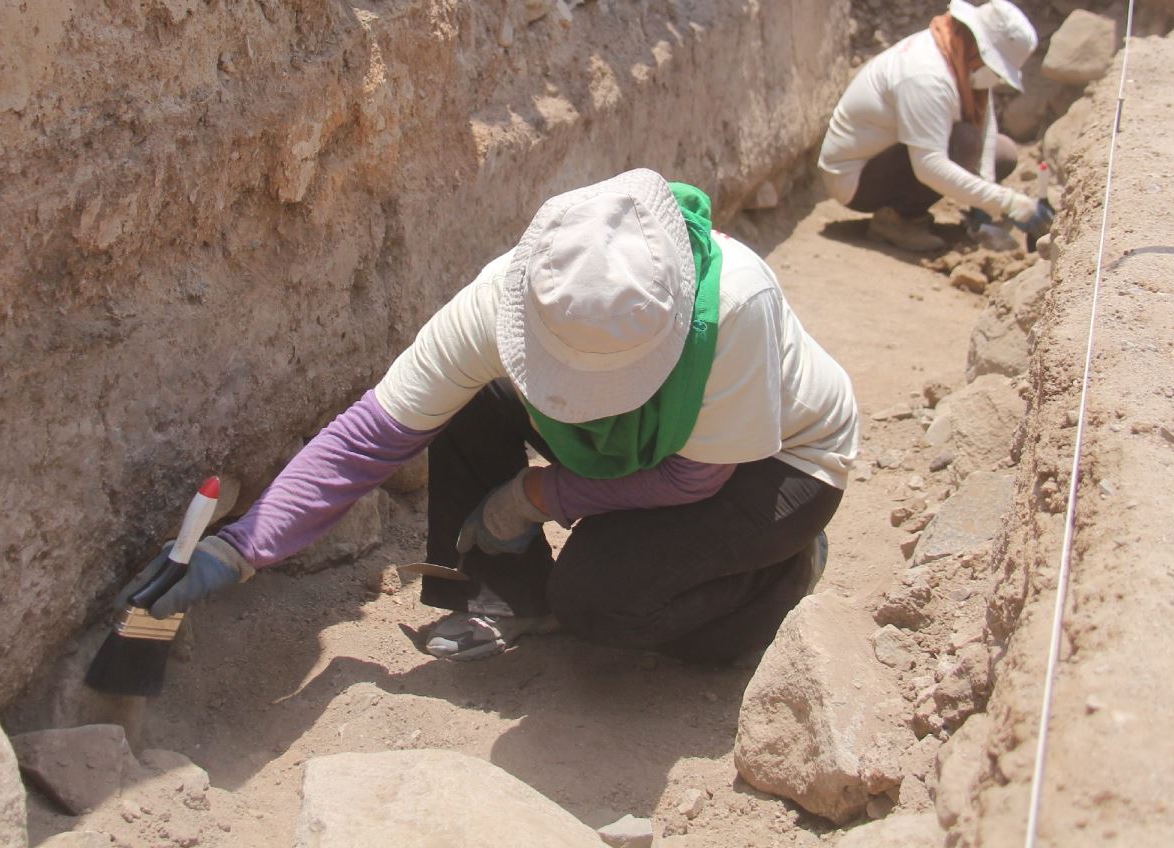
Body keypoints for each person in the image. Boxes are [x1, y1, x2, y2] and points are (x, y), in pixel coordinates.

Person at [124, 169, 858, 664]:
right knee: (472, 400)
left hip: (775, 465)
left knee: (605, 614)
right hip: (658, 455)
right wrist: (244, 548)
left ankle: (780, 574)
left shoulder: (735, 310)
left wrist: (534, 497)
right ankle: (501, 595)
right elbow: (373, 435)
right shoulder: (509, 293)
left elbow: (697, 477)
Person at [817, 0, 1051, 253]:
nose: (994, 79)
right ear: (978, 48)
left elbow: (986, 125)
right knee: (964, 141)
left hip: (891, 155)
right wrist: (1009, 202)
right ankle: (898, 221)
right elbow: (929, 165)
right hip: (855, 178)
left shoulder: (959, 55)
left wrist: (986, 200)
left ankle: (911, 210)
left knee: (1001, 153)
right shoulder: (926, 75)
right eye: (995, 69)